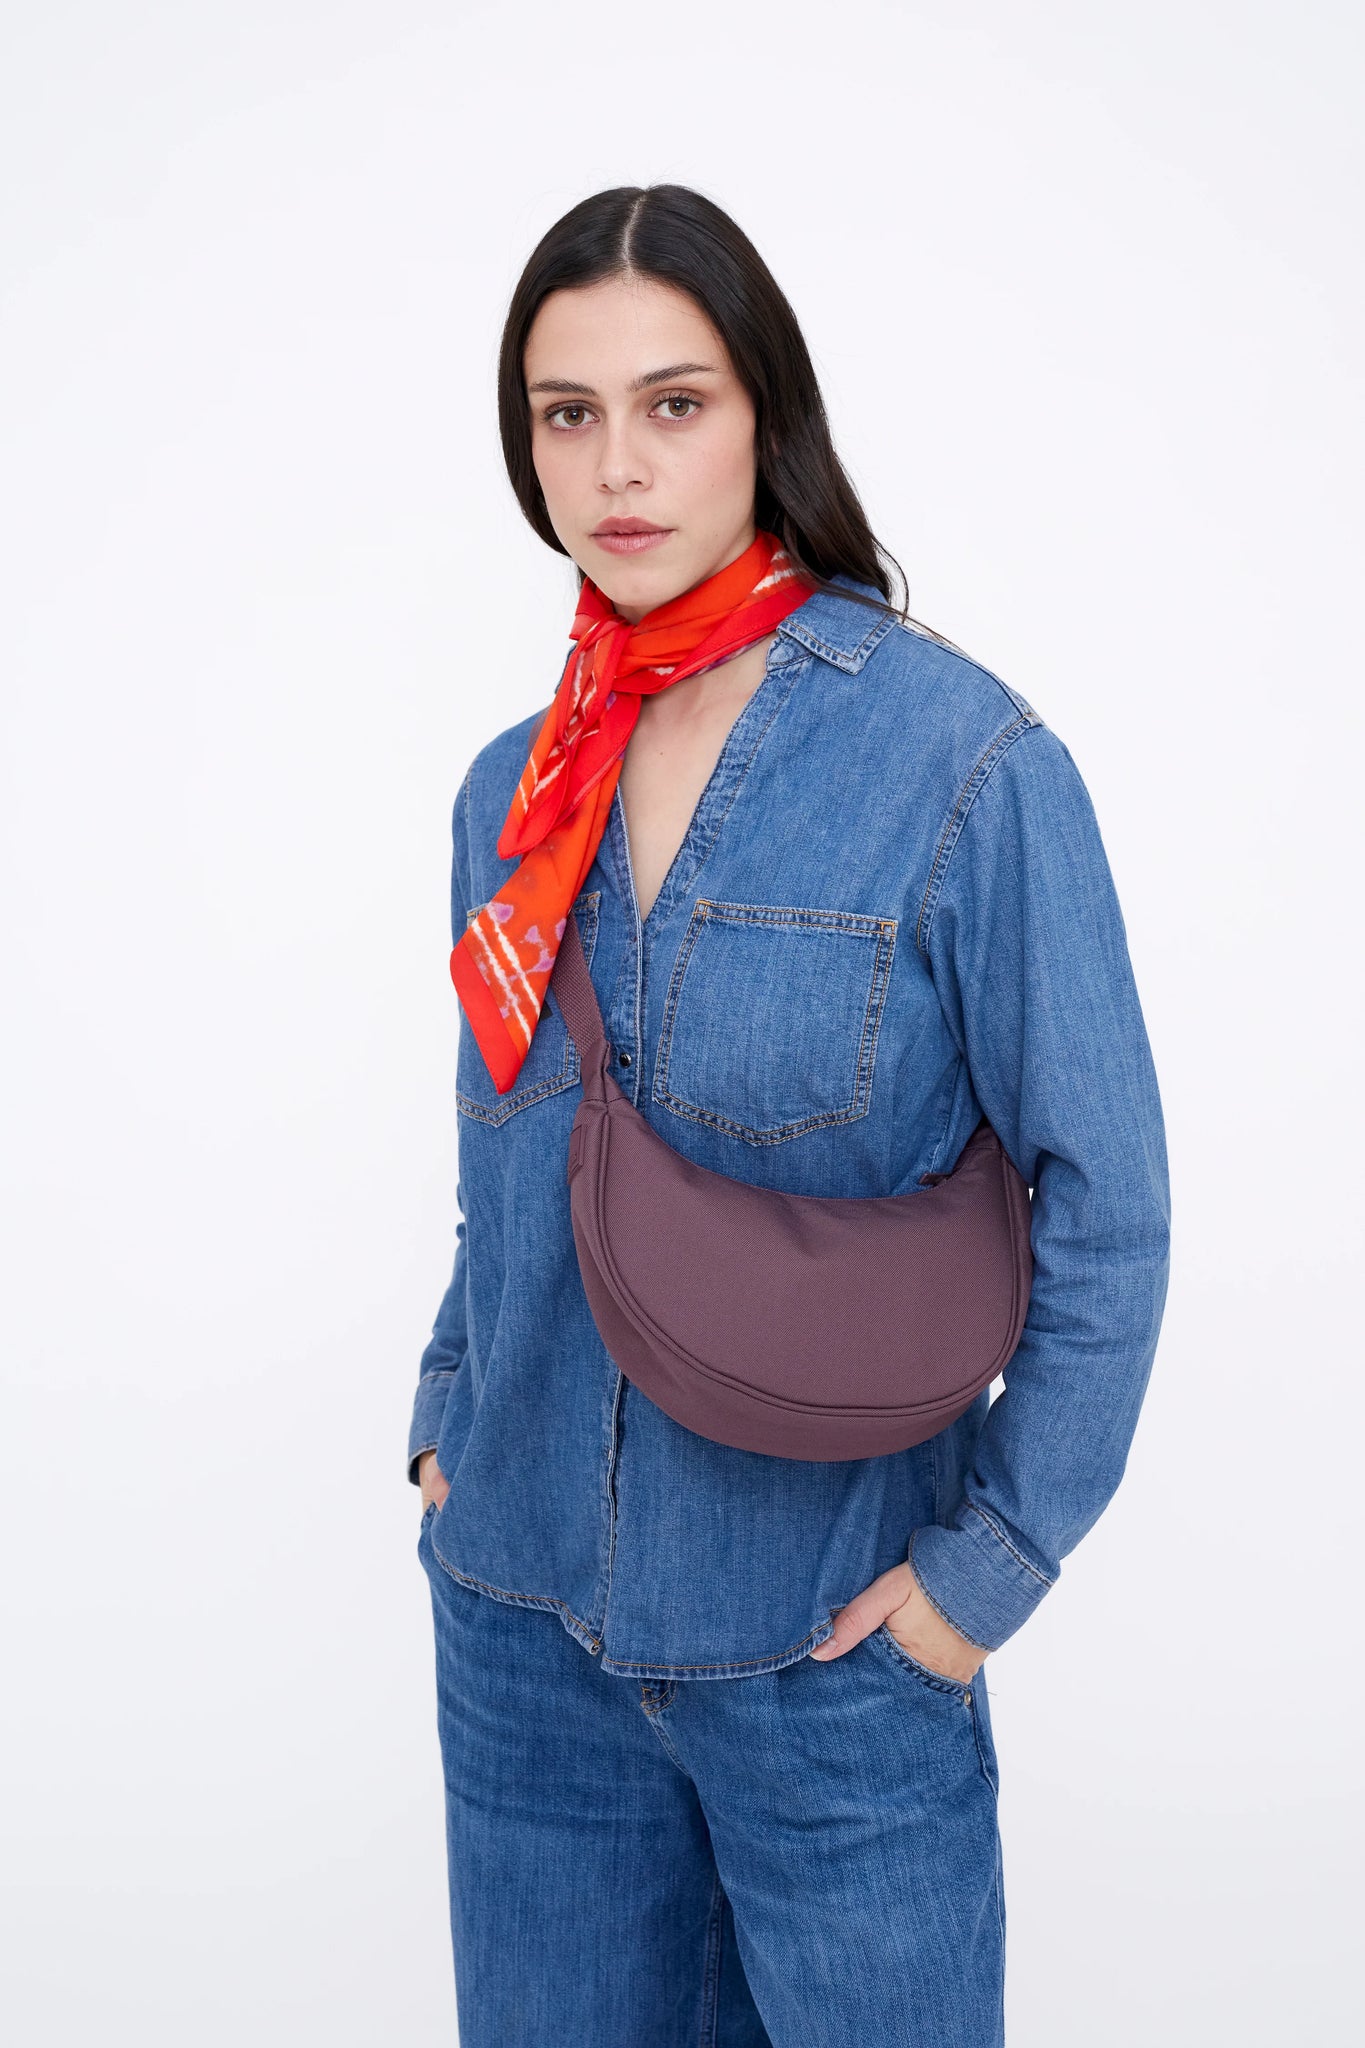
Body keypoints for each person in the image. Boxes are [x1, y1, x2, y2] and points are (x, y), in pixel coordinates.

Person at [407, 183, 1170, 2048]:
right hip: (519, 1638)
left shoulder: (959, 765)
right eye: (566, 413)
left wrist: (978, 1582)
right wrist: (446, 1426)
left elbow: (1106, 1202)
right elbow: (513, 1170)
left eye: (672, 404)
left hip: (829, 1659)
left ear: (767, 415)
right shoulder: (514, 789)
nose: (615, 466)